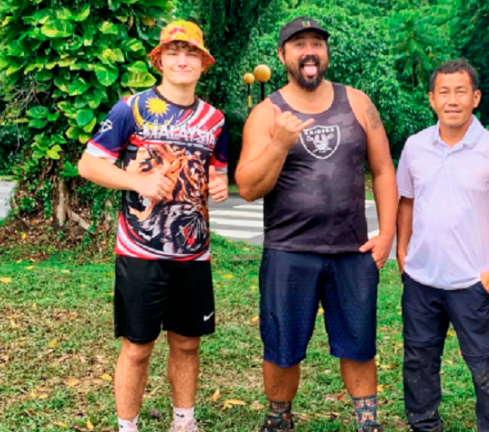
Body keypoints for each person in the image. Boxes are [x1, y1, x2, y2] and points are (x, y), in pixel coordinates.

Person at [235, 16, 398, 432]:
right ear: (282, 55)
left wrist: (388, 235)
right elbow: (249, 186)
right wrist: (279, 144)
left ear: (325, 54)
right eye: (298, 44)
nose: (309, 51)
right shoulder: (266, 112)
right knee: (282, 345)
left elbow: (382, 171)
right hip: (289, 252)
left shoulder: (358, 102)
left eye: (317, 44)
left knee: (359, 343)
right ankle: (278, 421)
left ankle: (368, 422)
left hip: (351, 251)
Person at [77, 20, 228, 432]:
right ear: (159, 60)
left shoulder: (215, 120)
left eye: (191, 52)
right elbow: (88, 164)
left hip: (193, 254)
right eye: (174, 52)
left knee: (187, 343)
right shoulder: (131, 108)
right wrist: (138, 180)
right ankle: (128, 426)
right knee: (138, 346)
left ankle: (184, 421)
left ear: (203, 62)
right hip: (140, 253)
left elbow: (218, 172)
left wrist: (219, 184)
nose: (183, 60)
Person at [395, 59, 489, 432]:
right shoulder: (415, 146)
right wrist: (402, 252)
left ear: (476, 98)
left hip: (473, 281)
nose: (452, 100)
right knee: (419, 362)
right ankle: (423, 424)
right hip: (421, 278)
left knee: (483, 364)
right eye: (444, 92)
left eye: (461, 91)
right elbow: (407, 201)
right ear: (432, 99)